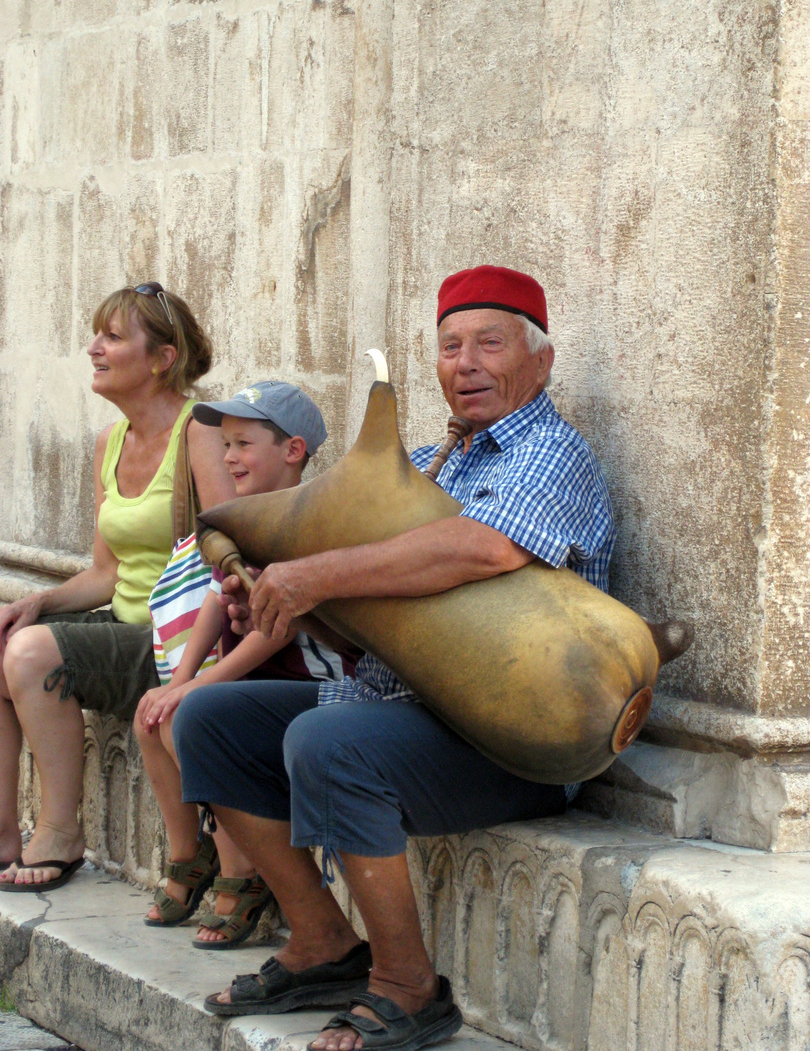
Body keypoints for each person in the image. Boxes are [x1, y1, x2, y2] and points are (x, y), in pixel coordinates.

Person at [172, 266, 616, 1051]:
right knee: (209, 716)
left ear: (540, 363)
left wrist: (316, 574)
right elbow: (366, 627)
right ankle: (324, 944)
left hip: (513, 738)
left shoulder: (550, 453)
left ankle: (409, 989)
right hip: (403, 710)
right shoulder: (423, 460)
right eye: (450, 346)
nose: (465, 363)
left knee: (326, 740)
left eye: (489, 343)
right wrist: (290, 604)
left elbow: (479, 549)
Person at [0, 283, 235, 891]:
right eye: (96, 335)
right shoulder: (110, 442)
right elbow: (107, 573)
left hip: (175, 642)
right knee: (8, 635)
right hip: (126, 626)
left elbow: (231, 553)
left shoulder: (200, 432)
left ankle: (58, 831)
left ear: (161, 359)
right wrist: (37, 602)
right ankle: (4, 831)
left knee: (30, 653)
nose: (93, 349)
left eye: (112, 337)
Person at [134, 381, 357, 947]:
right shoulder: (241, 520)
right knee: (152, 714)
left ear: (293, 451)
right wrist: (179, 680)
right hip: (256, 686)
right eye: (225, 444)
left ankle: (245, 872)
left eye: (243, 444)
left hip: (317, 688)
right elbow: (217, 595)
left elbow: (270, 630)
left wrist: (198, 686)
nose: (229, 457)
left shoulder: (308, 522)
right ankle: (189, 854)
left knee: (196, 715)